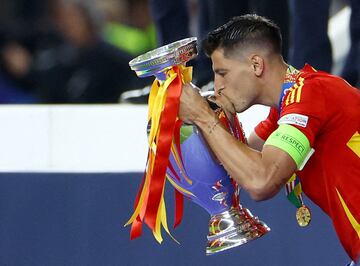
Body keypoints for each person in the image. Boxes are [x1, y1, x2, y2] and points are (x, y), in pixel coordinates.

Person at [178, 14, 360, 263]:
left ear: (256, 65)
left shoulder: (308, 94)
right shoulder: (287, 106)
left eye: (223, 73)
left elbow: (261, 180)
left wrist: (203, 118)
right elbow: (239, 165)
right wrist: (214, 119)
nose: (217, 86)